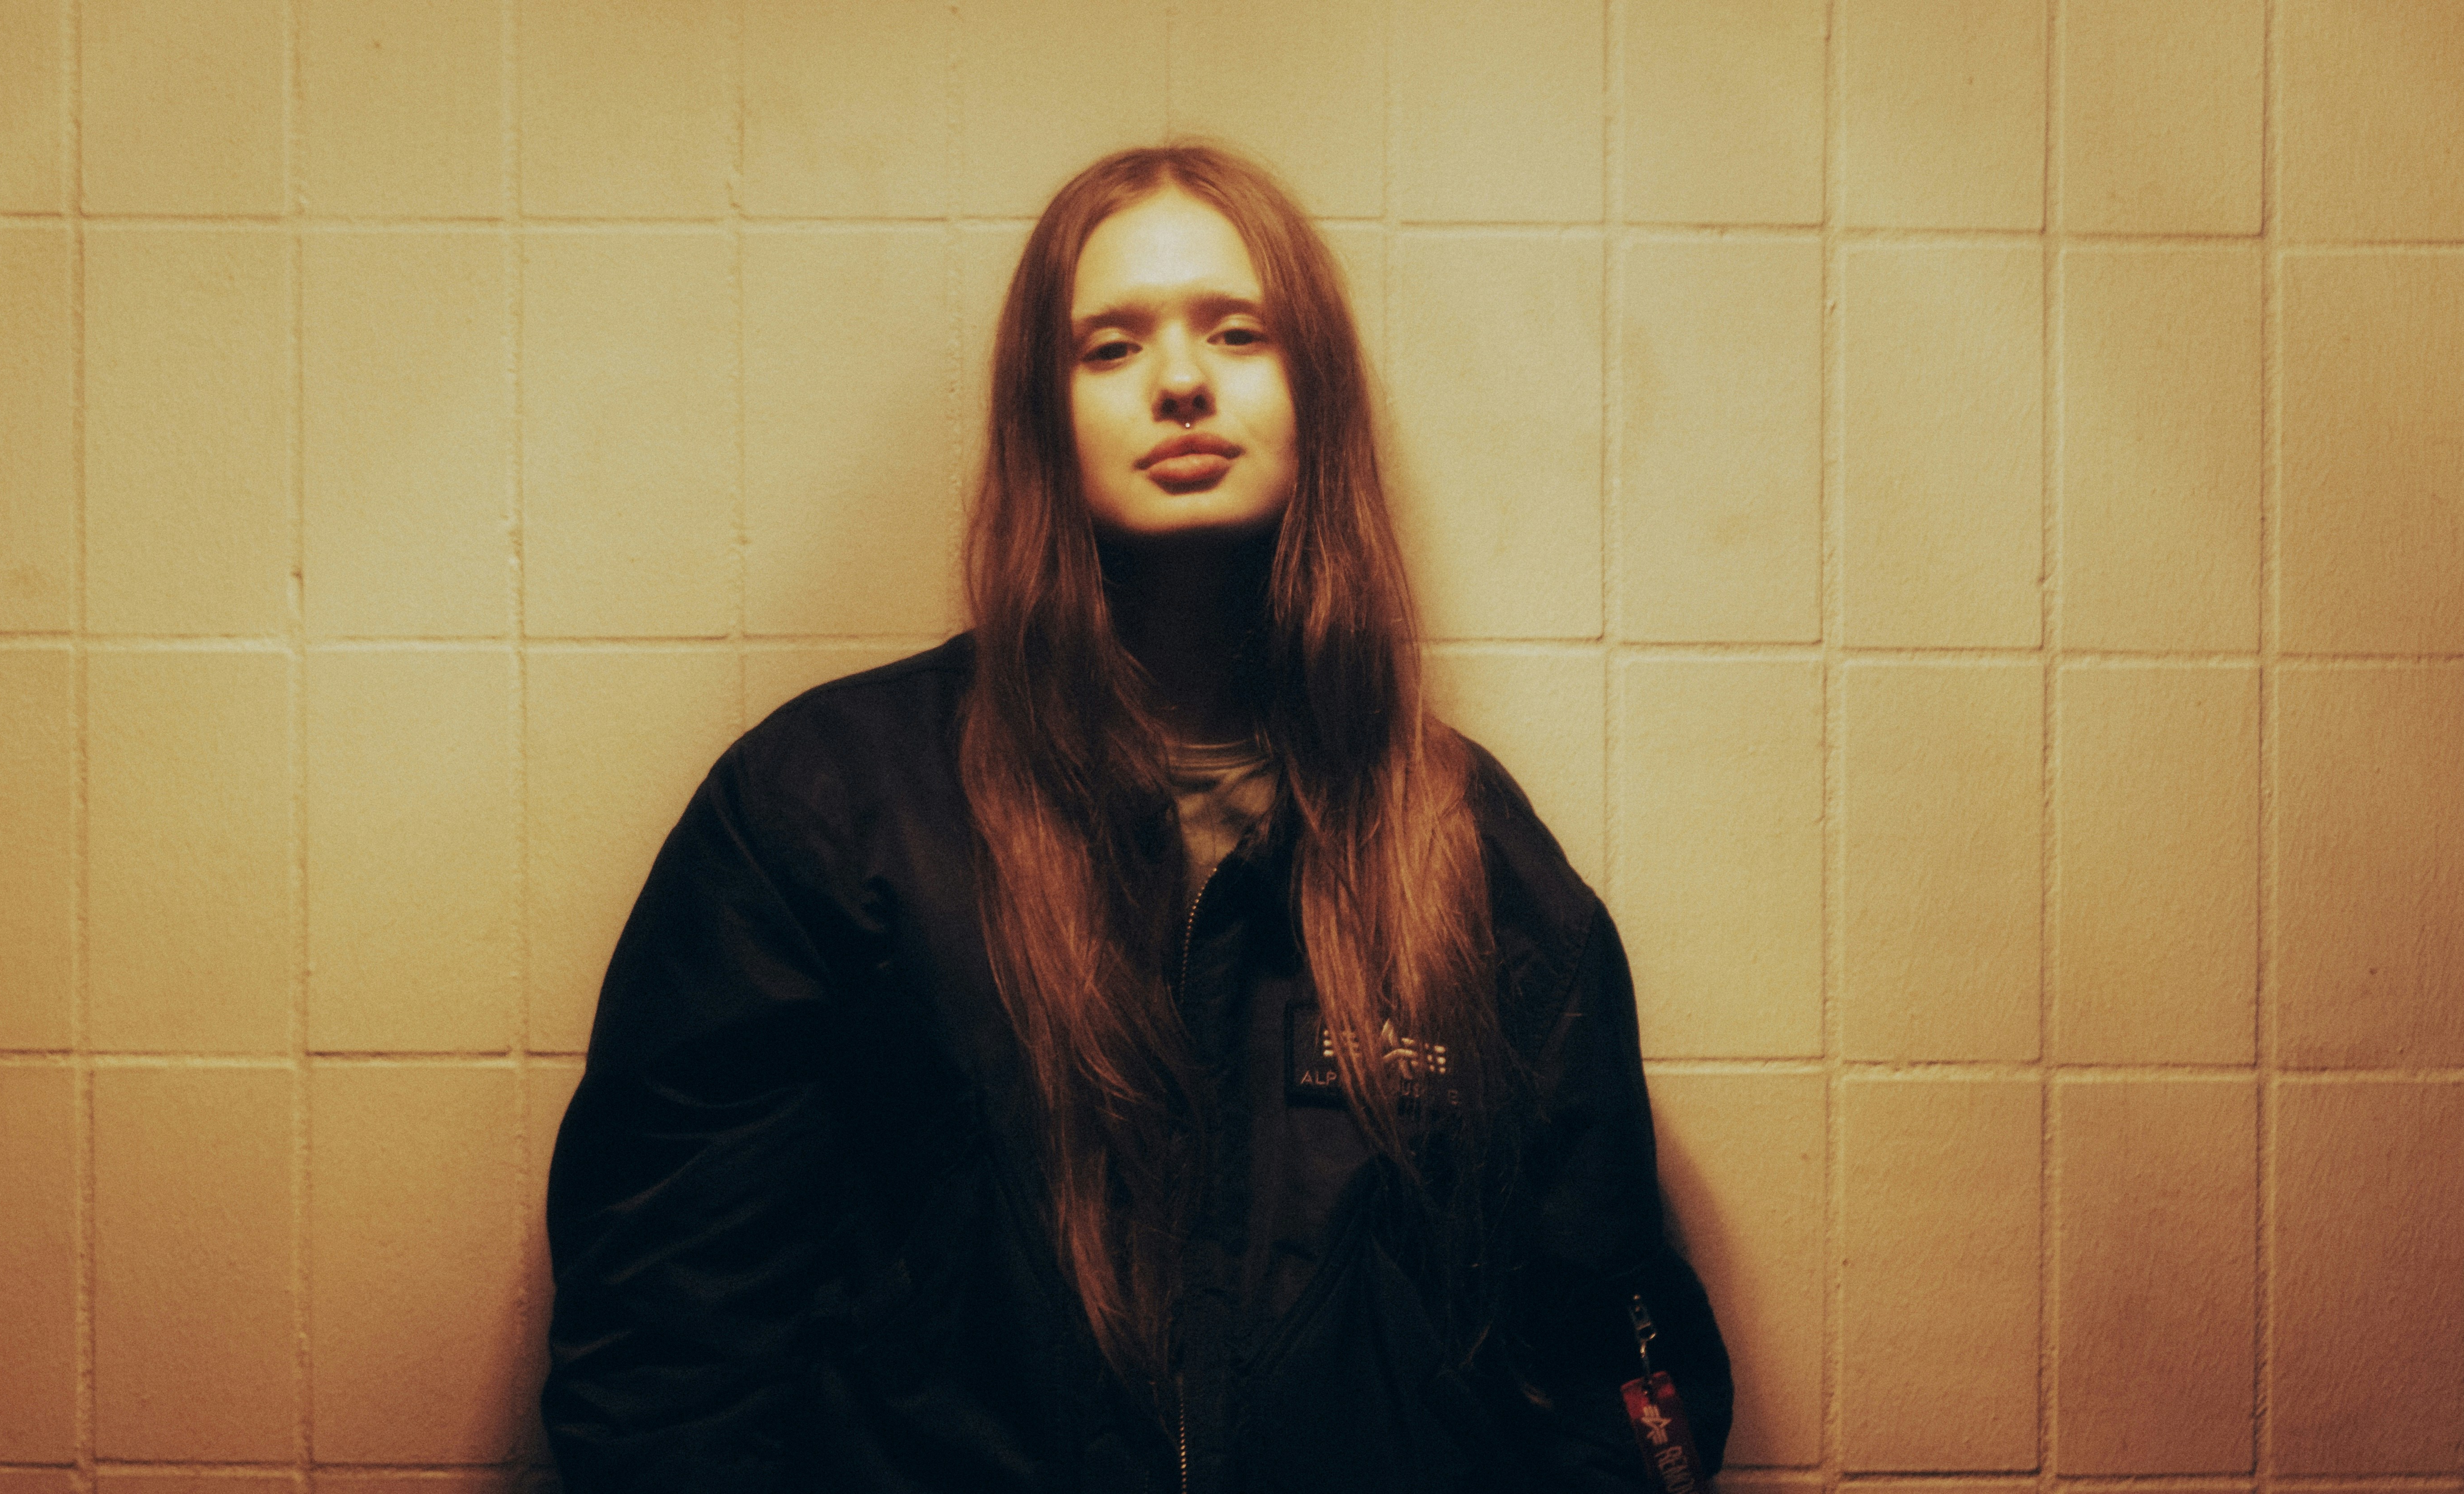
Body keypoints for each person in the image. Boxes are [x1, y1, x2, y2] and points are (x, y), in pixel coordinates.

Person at [541, 141, 1731, 1494]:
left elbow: (1607, 1359)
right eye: (1109, 348)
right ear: (1039, 420)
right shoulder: (828, 817)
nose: (1180, 381)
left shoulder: (1470, 853)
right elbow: (666, 1360)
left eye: (1239, 332)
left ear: (1318, 399)